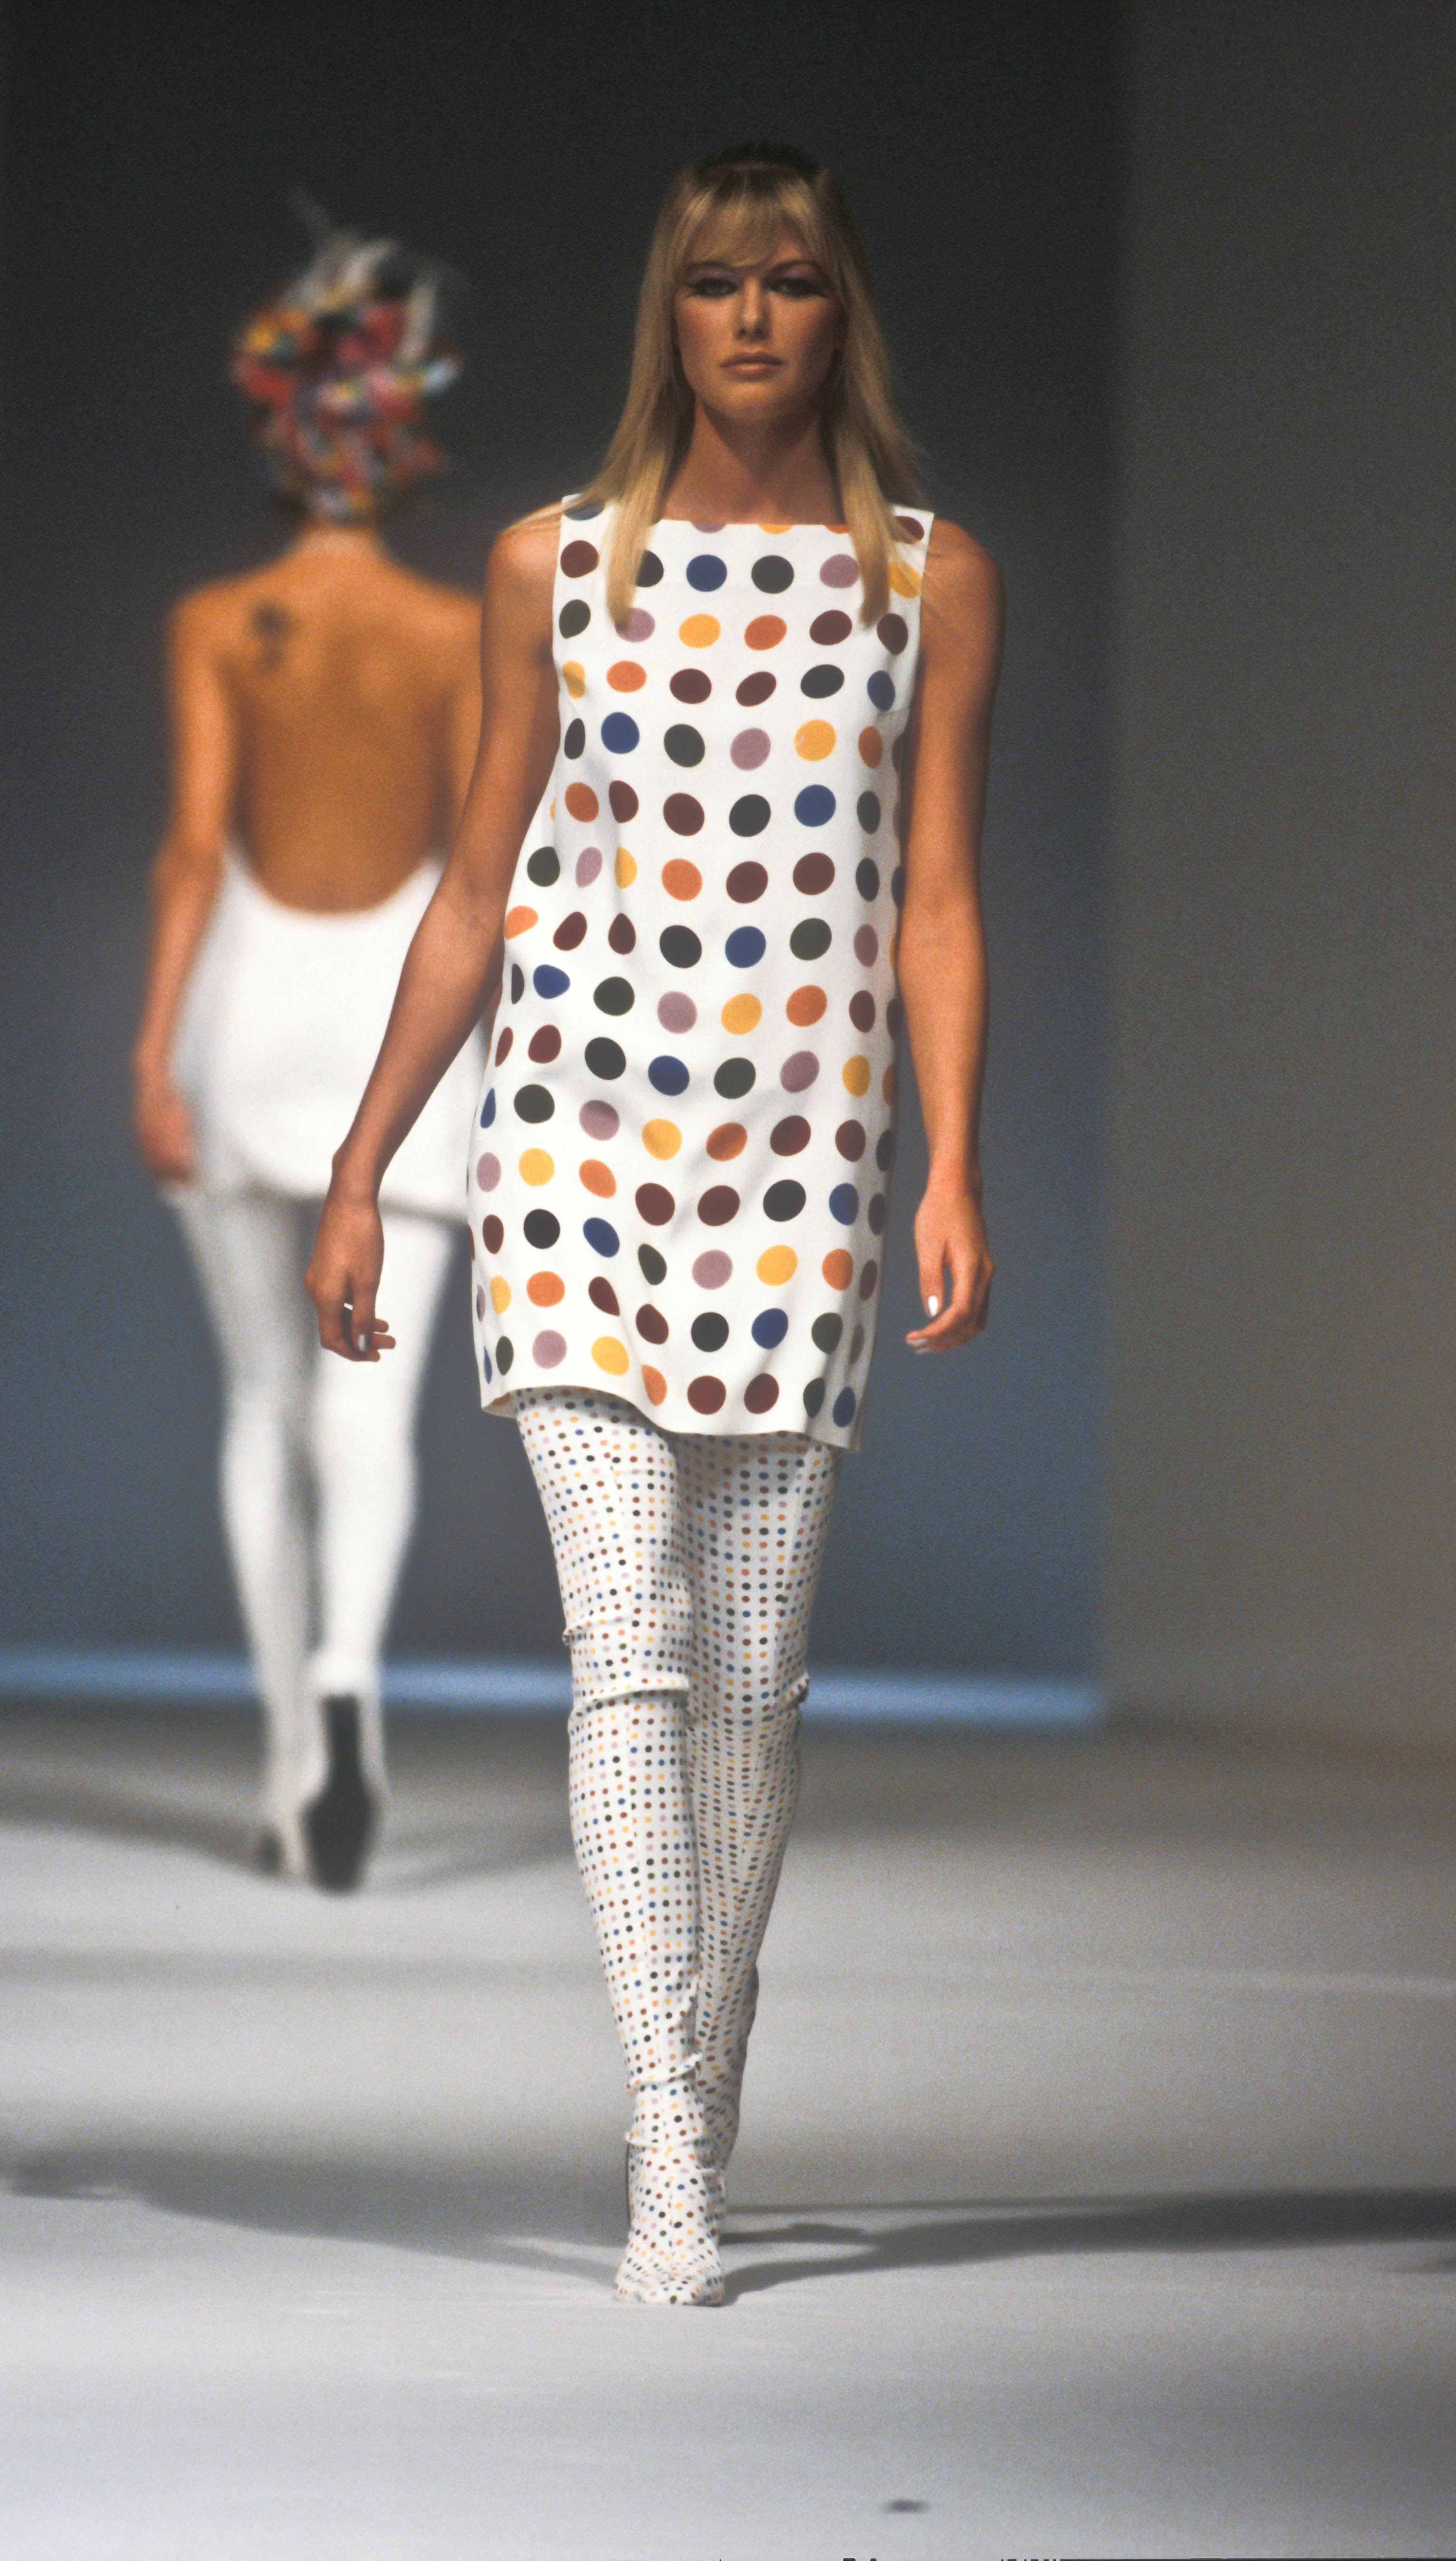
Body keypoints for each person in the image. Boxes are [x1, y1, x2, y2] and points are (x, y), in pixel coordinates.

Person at [307, 141, 1001, 2302]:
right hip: (576, 1154)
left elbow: (936, 900)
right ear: (668, 313)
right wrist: (362, 1165)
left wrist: (952, 1160)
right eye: (717, 283)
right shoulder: (555, 565)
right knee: (634, 1647)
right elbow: (478, 886)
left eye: (791, 280)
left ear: (839, 308)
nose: (755, 318)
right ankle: (665, 2147)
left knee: (754, 1683)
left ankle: (701, 2072)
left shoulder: (928, 581)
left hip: (804, 1169)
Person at [130, 224, 483, 1892]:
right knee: (372, 1407)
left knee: (261, 1398)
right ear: (402, 437)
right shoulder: (454, 630)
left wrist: (151, 1052)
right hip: (399, 1014)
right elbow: (484, 869)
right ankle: (348, 1685)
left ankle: (289, 1767)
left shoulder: (222, 617)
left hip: (252, 1002)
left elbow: (190, 852)